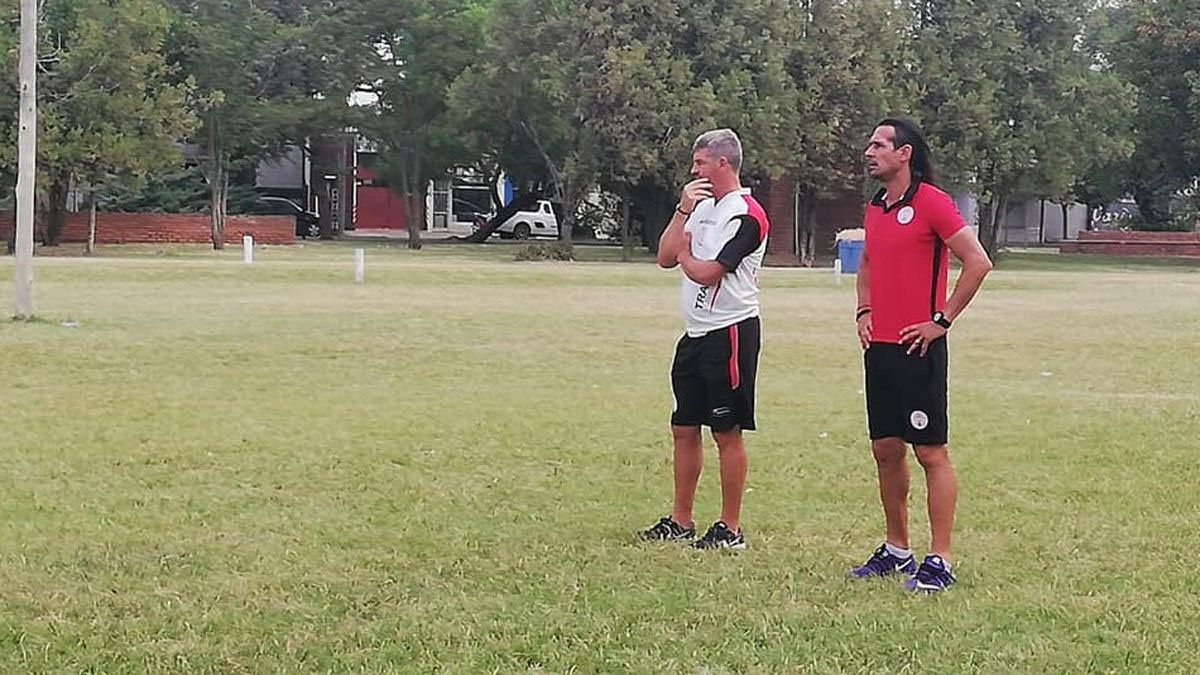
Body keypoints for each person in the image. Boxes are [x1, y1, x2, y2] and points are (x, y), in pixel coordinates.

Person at [848, 117, 992, 592]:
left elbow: (978, 262)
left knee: (930, 452)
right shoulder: (876, 207)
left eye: (879, 144)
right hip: (881, 348)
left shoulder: (932, 202)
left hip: (919, 347)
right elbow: (867, 262)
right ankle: (896, 549)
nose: (869, 151)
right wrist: (864, 310)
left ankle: (941, 559)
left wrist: (941, 320)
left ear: (904, 153)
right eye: (869, 144)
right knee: (885, 449)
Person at [639, 128, 769, 550]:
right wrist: (681, 212)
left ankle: (730, 528)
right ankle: (681, 518)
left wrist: (687, 256)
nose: (693, 171)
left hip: (730, 331)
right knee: (683, 427)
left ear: (723, 164)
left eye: (700, 163)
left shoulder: (746, 214)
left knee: (725, 431)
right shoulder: (700, 207)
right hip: (694, 333)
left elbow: (710, 271)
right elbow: (664, 257)